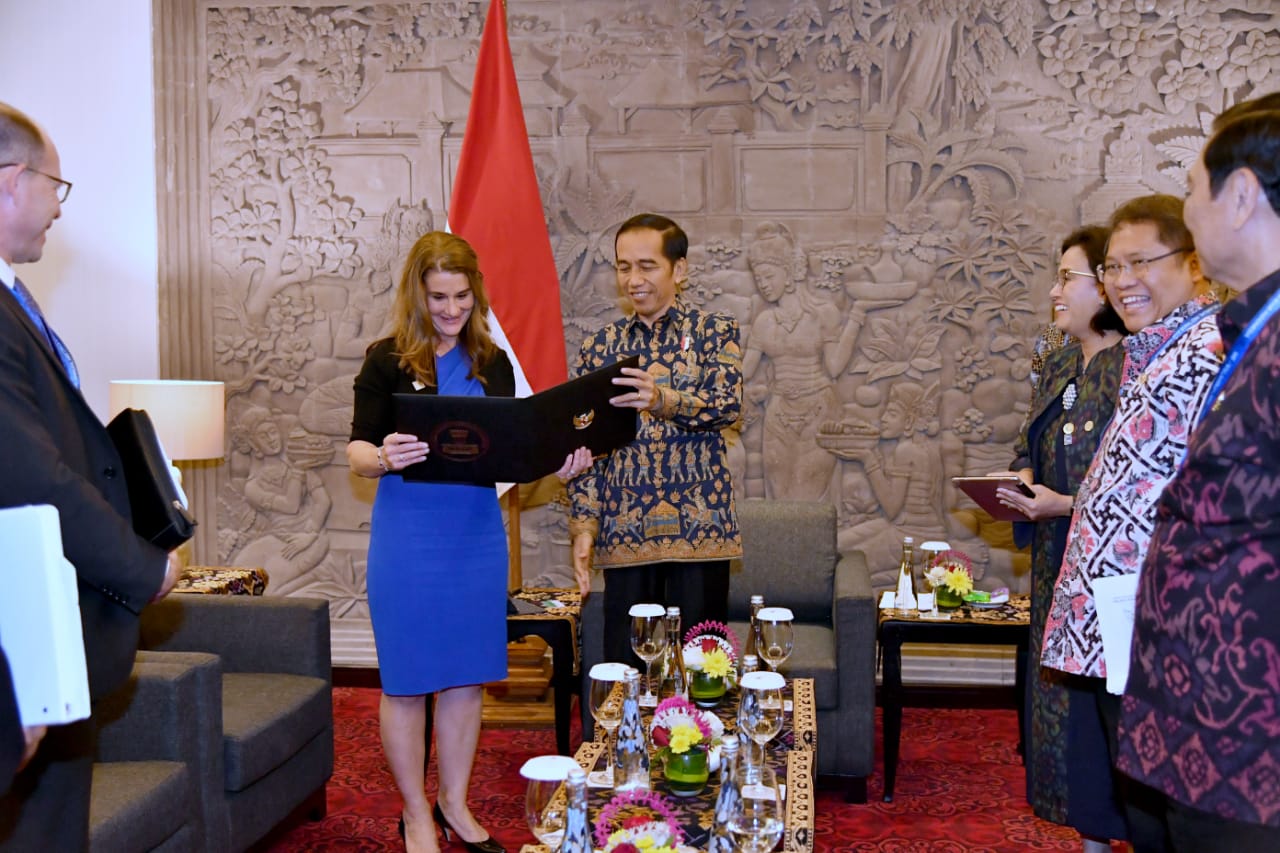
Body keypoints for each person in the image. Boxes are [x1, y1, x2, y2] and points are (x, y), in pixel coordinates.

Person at [347, 230, 585, 853]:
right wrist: (380, 457)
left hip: (475, 538)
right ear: (415, 296)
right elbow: (356, 450)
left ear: (476, 294)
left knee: (464, 679)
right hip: (408, 540)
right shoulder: (385, 360)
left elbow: (508, 454)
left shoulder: (494, 362)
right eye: (438, 298)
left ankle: (453, 803)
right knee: (405, 681)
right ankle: (414, 813)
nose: (451, 310)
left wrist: (555, 466)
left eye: (461, 296)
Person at [0, 103, 181, 849]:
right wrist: (147, 567)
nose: (57, 208)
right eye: (56, 185)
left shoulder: (14, 299)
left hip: (49, 625)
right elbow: (33, 473)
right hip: (23, 634)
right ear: (13, 181)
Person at [1115, 103, 1280, 850]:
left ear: (1241, 195)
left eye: (1192, 188)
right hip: (1206, 734)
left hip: (1251, 750)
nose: (1187, 210)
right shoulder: (1255, 331)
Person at [1039, 195, 1224, 852]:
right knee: (1139, 800)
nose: (1122, 280)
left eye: (1141, 261)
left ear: (1194, 262)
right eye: (1113, 265)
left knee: (1165, 811)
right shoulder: (1156, 348)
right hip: (1121, 620)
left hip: (1161, 618)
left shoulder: (1211, 348)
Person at [995, 226, 1128, 850]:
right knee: (1065, 714)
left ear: (1105, 284)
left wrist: (1068, 503)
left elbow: (1148, 485)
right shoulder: (1056, 360)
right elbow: (1031, 441)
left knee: (1114, 708)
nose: (1055, 290)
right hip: (1056, 564)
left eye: (1066, 278)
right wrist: (1023, 479)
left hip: (1116, 575)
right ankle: (1090, 839)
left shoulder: (1140, 362)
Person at [567, 213, 743, 666]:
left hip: (700, 527)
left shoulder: (713, 332)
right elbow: (586, 447)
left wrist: (661, 398)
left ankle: (701, 738)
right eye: (624, 267)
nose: (633, 279)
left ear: (678, 270)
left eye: (647, 266)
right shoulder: (600, 348)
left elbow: (726, 405)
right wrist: (584, 526)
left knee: (703, 668)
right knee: (626, 669)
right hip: (624, 529)